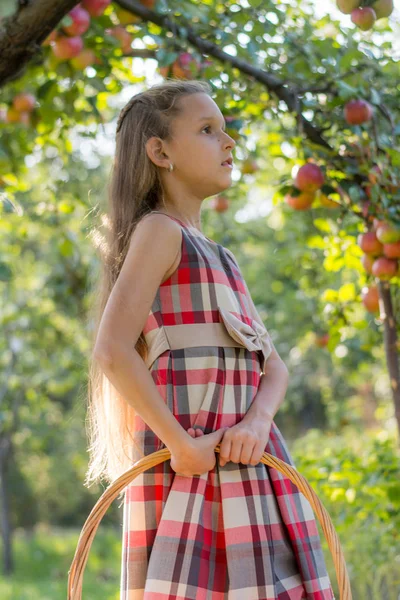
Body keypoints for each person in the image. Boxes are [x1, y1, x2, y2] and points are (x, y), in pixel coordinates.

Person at [85, 79, 336, 599]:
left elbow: (276, 368)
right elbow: (111, 351)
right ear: (160, 152)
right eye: (207, 130)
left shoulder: (223, 256)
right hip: (194, 471)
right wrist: (181, 445)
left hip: (246, 466)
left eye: (225, 130)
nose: (229, 143)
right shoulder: (160, 233)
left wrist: (258, 422)